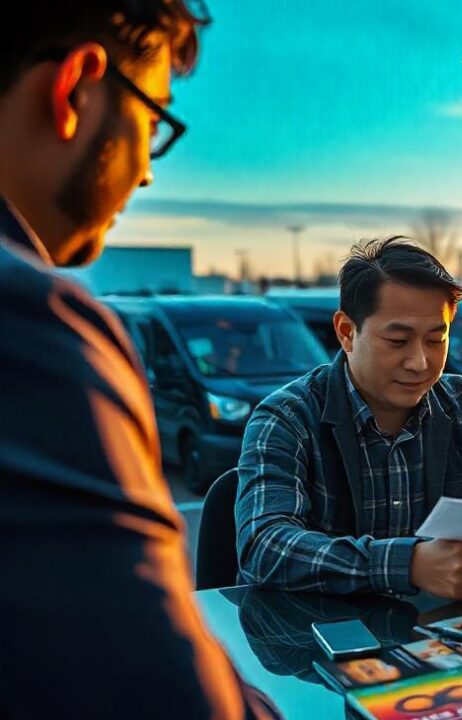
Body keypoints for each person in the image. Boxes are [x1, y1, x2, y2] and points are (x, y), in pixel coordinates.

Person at [0, 1, 276, 717]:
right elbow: (167, 695)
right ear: (78, 89)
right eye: (154, 125)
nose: (147, 176)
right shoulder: (33, 325)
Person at [236, 238, 462, 600]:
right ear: (346, 332)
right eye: (397, 341)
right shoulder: (287, 418)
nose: (420, 363)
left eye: (436, 340)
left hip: (447, 634)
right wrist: (409, 565)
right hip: (324, 636)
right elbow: (263, 547)